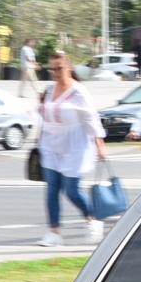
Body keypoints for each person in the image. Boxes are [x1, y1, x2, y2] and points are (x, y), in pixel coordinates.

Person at [36, 51, 109, 248]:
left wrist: (99, 144)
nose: (55, 73)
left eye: (59, 68)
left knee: (72, 190)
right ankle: (54, 232)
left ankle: (92, 218)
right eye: (52, 69)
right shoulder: (49, 90)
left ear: (68, 67)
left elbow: (91, 119)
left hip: (76, 144)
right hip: (51, 144)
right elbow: (43, 116)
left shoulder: (79, 92)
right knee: (51, 189)